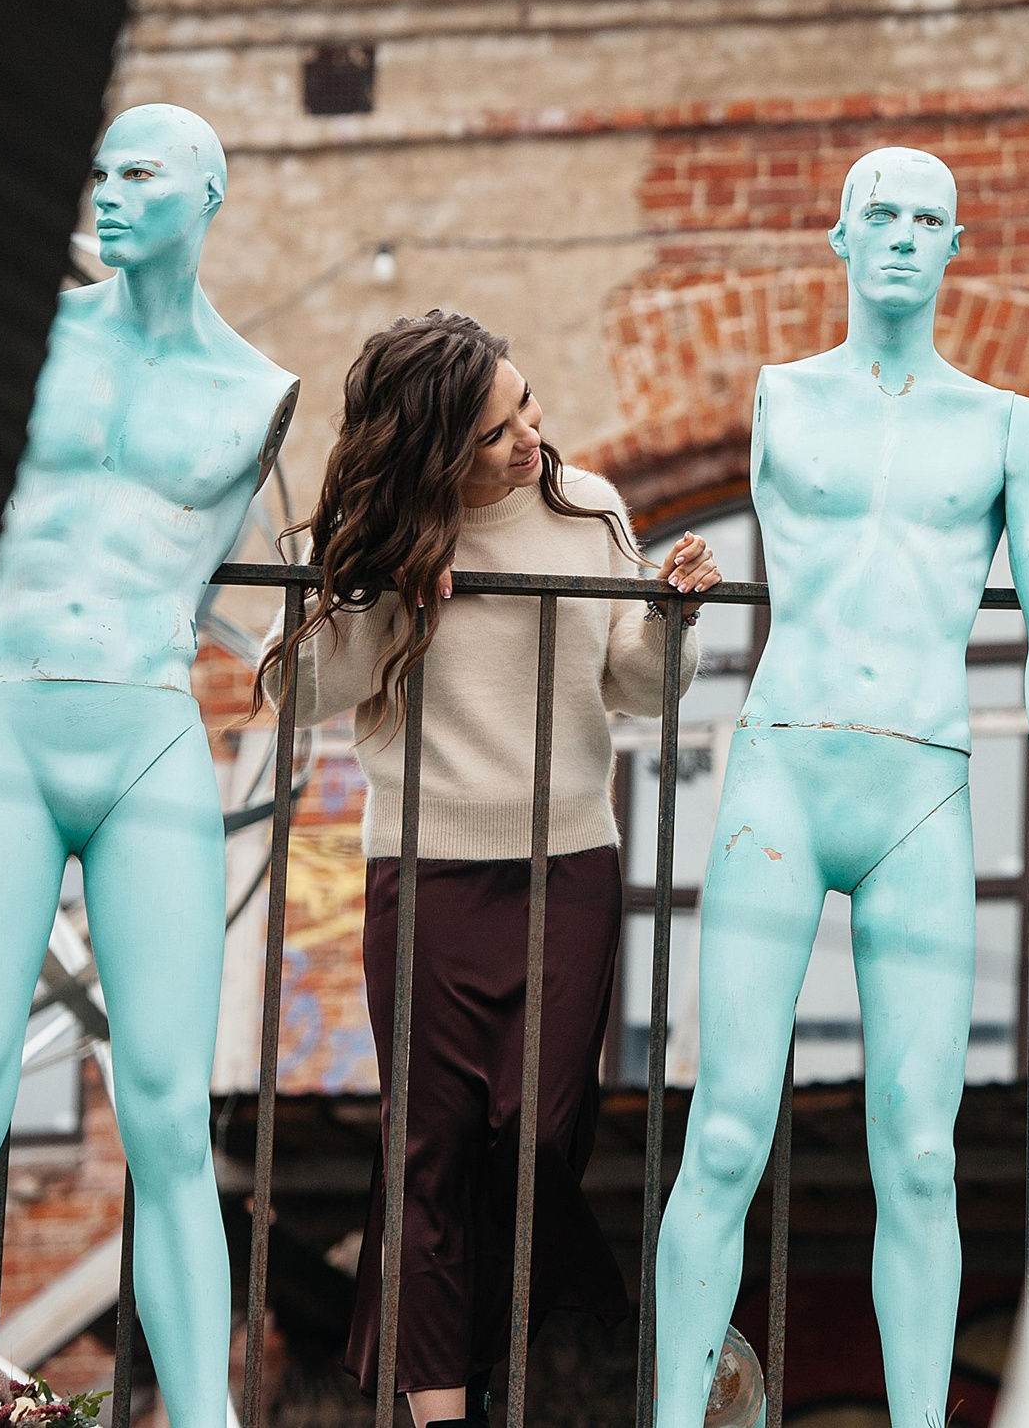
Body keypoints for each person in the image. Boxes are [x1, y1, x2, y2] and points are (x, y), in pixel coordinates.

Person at [650, 147, 1029, 1428]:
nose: (903, 235)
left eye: (927, 219)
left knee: (918, 1151)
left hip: (922, 783)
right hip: (781, 765)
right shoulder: (778, 395)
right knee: (726, 1129)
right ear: (837, 235)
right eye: (880, 214)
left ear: (957, 244)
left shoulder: (1014, 426)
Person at [0, 105, 295, 1428]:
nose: (110, 194)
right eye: (101, 173)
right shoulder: (25, 343)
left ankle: (207, 1416)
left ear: (210, 193)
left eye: (143, 173)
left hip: (145, 728)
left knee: (172, 1113)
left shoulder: (257, 390)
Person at [258, 311, 719, 1428]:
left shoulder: (587, 507)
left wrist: (672, 613)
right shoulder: (381, 543)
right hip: (422, 875)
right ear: (432, 451)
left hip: (571, 866)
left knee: (539, 1132)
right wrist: (380, 591)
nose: (530, 436)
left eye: (527, 405)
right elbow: (297, 693)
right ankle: (446, 1407)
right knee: (433, 1150)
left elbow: (642, 690)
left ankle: (445, 1342)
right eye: (496, 429)